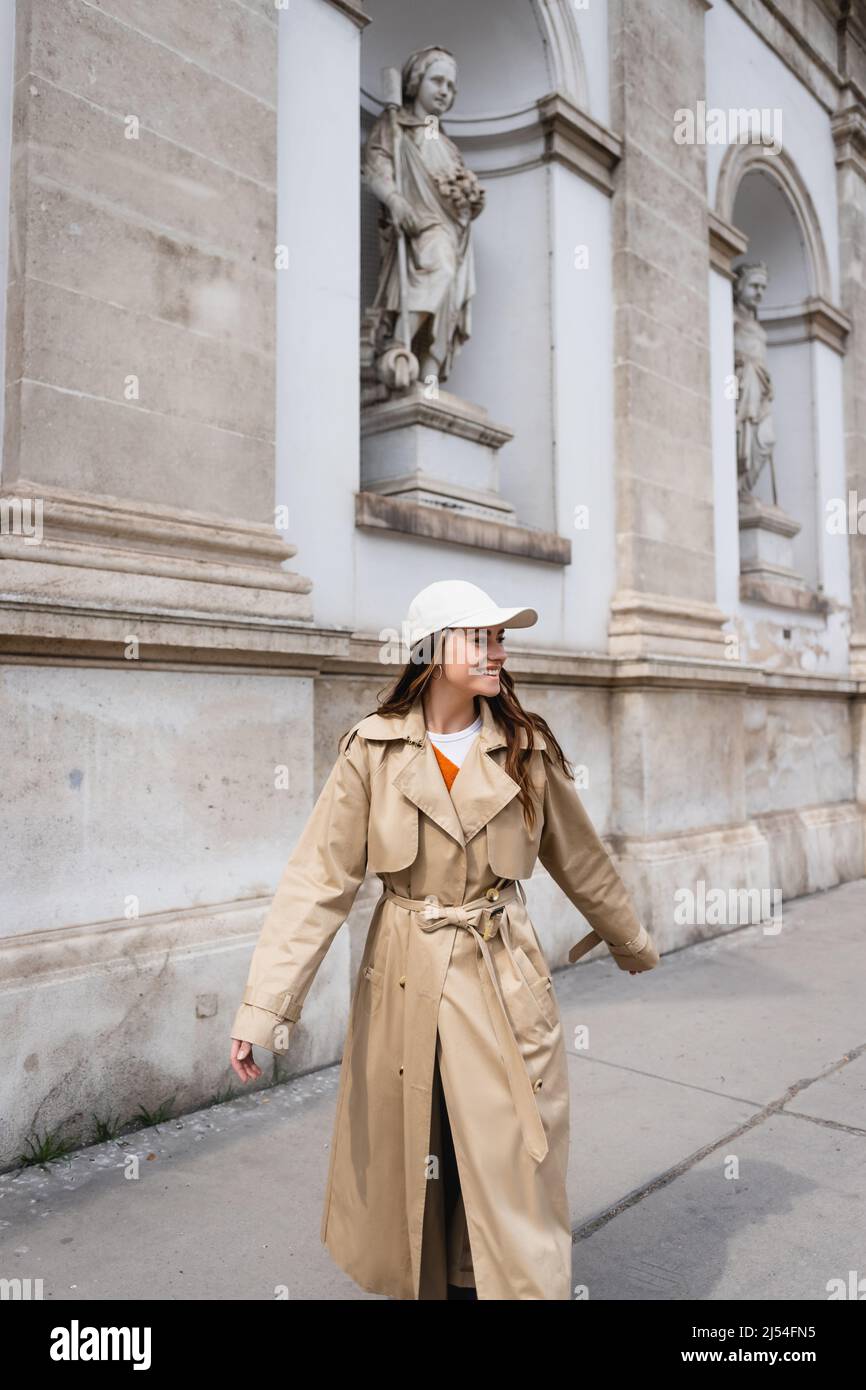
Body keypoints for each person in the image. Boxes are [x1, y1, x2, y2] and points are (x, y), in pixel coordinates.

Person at [230, 579, 661, 1300]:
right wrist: (264, 1009)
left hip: (501, 973)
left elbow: (579, 856)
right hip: (402, 972)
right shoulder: (372, 752)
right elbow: (318, 882)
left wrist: (630, 939)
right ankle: (444, 1279)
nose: (498, 651)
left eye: (501, 638)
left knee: (513, 1156)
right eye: (481, 637)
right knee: (414, 1150)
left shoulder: (524, 748)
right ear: (432, 651)